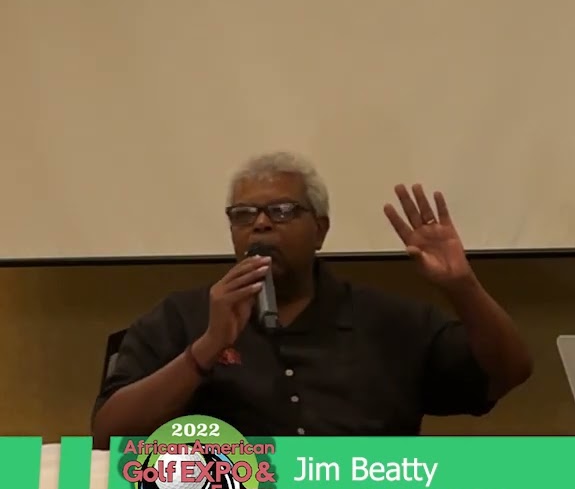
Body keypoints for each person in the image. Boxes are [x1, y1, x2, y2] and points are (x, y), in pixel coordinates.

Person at [91, 152, 533, 448]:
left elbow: (509, 373)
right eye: (243, 215)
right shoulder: (183, 317)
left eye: (282, 211)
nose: (260, 224)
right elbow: (108, 436)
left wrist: (463, 287)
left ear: (320, 230)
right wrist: (206, 349)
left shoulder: (391, 321)